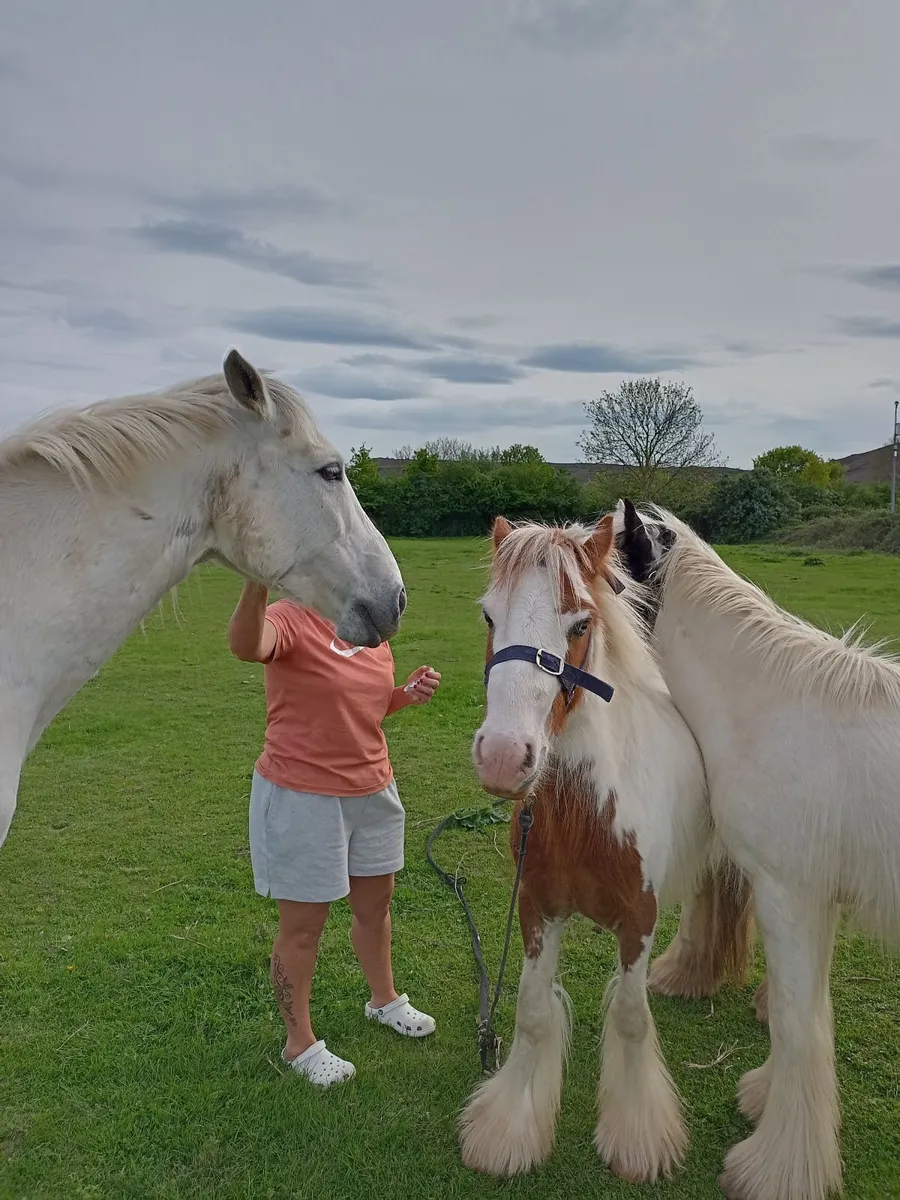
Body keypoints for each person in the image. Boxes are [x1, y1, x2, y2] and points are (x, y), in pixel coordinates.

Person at [228, 581, 441, 1088]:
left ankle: (383, 1000)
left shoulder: (368, 627)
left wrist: (402, 697)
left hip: (373, 789)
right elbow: (245, 645)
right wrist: (257, 580)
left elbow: (362, 706)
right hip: (304, 795)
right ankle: (298, 1043)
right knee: (303, 926)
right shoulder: (289, 618)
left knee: (376, 906)